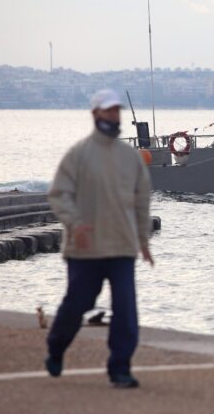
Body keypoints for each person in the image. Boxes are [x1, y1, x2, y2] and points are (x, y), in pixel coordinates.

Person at [45, 89, 154, 389]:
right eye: (108, 110)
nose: (114, 115)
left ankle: (120, 367)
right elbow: (58, 194)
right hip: (85, 248)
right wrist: (74, 223)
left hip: (122, 246)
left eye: (117, 109)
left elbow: (142, 201)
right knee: (77, 304)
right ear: (95, 113)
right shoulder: (78, 154)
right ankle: (56, 347)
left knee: (126, 309)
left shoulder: (130, 157)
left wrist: (143, 241)